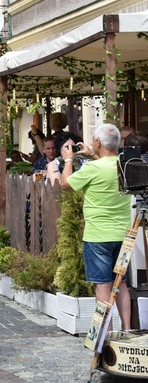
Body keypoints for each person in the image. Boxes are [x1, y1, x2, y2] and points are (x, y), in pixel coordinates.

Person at [60, 123, 131, 330]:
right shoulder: (124, 165)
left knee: (103, 285)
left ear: (98, 142)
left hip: (98, 234)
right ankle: (126, 330)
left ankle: (106, 335)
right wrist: (93, 155)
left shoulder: (92, 168)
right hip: (124, 234)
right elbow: (108, 167)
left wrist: (68, 160)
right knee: (121, 283)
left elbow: (66, 184)